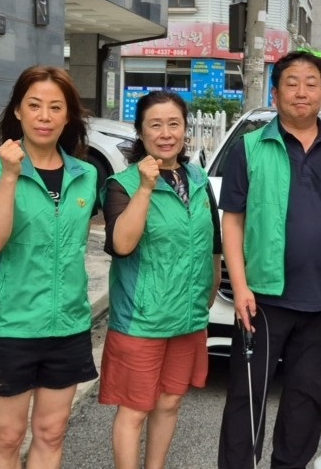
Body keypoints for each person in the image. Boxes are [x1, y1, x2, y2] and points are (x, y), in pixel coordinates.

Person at [217, 49, 321, 469]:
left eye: (311, 84)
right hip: (263, 299)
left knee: (306, 398)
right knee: (246, 398)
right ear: (275, 94)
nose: (301, 92)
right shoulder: (250, 147)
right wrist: (241, 288)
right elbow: (232, 222)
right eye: (291, 83)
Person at [0, 66, 99, 469]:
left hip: (68, 326)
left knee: (51, 433)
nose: (45, 116)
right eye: (34, 105)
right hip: (11, 327)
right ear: (18, 111)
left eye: (55, 107)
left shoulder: (86, 174)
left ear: (68, 115)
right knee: (8, 438)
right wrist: (11, 176)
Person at [99, 90, 222, 469]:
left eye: (174, 124)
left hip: (188, 317)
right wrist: (146, 187)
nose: (166, 134)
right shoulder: (122, 184)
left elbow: (213, 245)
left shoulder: (198, 179)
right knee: (135, 409)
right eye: (155, 125)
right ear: (140, 131)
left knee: (169, 402)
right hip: (142, 320)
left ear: (185, 129)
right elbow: (121, 244)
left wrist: (209, 291)